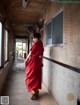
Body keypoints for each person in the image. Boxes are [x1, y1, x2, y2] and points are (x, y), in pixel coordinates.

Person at [25, 33, 44, 100]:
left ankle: (33, 92)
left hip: (33, 62)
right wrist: (41, 62)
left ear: (37, 38)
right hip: (38, 63)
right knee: (36, 77)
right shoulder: (41, 45)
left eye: (34, 38)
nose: (33, 39)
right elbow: (41, 56)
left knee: (30, 76)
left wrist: (26, 59)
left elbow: (30, 53)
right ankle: (35, 92)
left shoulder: (35, 44)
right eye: (33, 38)